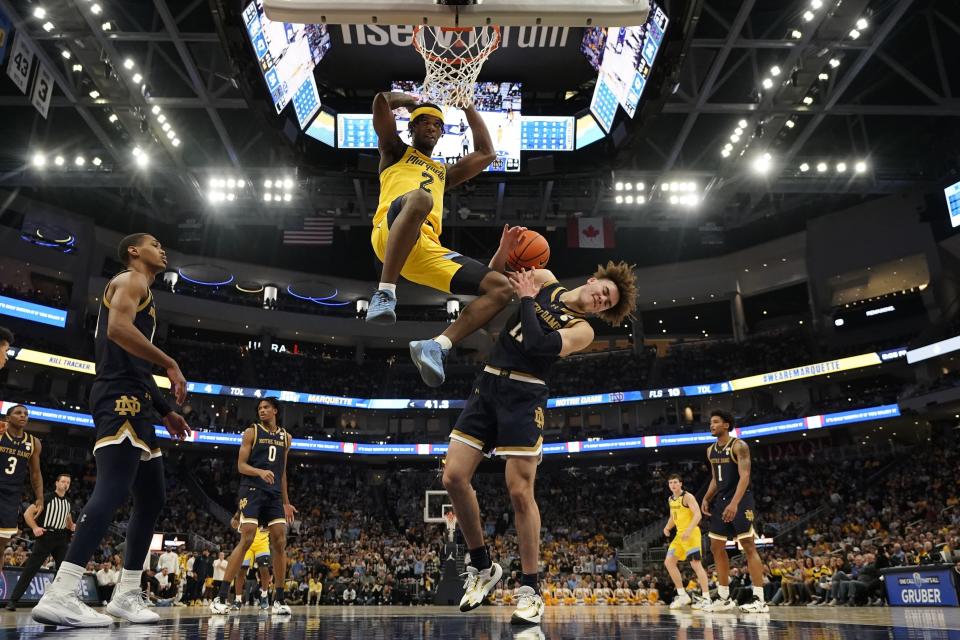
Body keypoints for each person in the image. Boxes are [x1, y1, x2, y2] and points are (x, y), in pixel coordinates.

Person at [442, 263, 638, 625]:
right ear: (593, 279)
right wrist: (506, 251)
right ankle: (483, 565)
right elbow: (497, 276)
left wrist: (528, 299)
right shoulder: (547, 277)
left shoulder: (582, 330)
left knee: (519, 492)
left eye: (606, 302)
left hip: (525, 395)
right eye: (603, 290)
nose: (600, 299)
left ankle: (531, 591)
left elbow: (538, 343)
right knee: (453, 478)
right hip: (487, 384)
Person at [32, 233, 191, 628]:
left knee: (152, 497)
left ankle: (126, 594)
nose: (163, 248)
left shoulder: (144, 292)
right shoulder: (131, 279)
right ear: (135, 252)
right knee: (114, 488)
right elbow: (118, 329)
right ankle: (62, 591)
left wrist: (165, 409)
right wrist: (170, 362)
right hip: (118, 397)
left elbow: (135, 362)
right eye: (156, 243)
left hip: (136, 397)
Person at [365, 90, 516, 388]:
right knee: (421, 199)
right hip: (389, 232)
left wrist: (468, 105)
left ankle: (437, 346)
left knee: (502, 288)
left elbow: (487, 153)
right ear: (411, 128)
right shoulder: (395, 151)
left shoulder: (444, 172)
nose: (431, 127)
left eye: (436, 124)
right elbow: (380, 102)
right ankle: (384, 292)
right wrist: (408, 102)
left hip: (424, 249)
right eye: (423, 122)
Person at [211, 398, 296, 615]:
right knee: (247, 537)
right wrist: (259, 472)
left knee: (279, 540)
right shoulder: (251, 432)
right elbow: (241, 466)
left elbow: (283, 472)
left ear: (275, 410)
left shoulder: (286, 438)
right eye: (259, 408)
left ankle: (279, 598)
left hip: (274, 494)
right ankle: (221, 597)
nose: (262, 411)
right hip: (251, 490)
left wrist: (286, 502)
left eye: (266, 407)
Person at [701, 410, 768, 613]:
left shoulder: (739, 446)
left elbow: (745, 476)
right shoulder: (710, 450)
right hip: (721, 500)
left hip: (741, 500)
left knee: (748, 545)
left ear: (727, 425)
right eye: (710, 422)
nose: (711, 425)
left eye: (715, 422)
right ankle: (724, 597)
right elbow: (715, 478)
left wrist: (735, 503)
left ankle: (760, 599)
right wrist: (706, 497)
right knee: (715, 547)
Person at [6, 473, 76, 610]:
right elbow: (27, 514)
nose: (65, 484)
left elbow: (68, 522)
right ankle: (13, 601)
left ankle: (56, 600)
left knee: (64, 570)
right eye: (63, 481)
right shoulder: (45, 498)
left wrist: (72, 526)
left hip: (61, 538)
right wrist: (35, 527)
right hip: (46, 536)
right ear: (56, 483)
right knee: (31, 569)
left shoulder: (68, 502)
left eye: (68, 482)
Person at [0, 404, 43, 591]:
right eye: (18, 413)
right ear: (8, 418)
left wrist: (39, 498)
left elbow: (35, 473)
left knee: (1, 545)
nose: (23, 416)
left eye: (26, 413)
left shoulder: (33, 442)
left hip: (11, 495)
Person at [662, 474, 711, 610]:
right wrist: (667, 527)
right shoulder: (671, 499)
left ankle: (706, 598)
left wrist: (689, 530)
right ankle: (682, 595)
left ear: (681, 484)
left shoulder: (688, 497)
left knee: (696, 565)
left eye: (675, 482)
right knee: (669, 562)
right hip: (679, 535)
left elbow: (698, 514)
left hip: (691, 534)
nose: (673, 485)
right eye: (670, 482)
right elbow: (673, 516)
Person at [229, 511, 272, 610]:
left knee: (264, 570)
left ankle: (264, 596)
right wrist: (234, 522)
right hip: (246, 543)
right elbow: (234, 522)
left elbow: (275, 526)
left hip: (262, 543)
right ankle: (238, 599)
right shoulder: (246, 505)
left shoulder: (267, 507)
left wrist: (267, 527)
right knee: (241, 571)